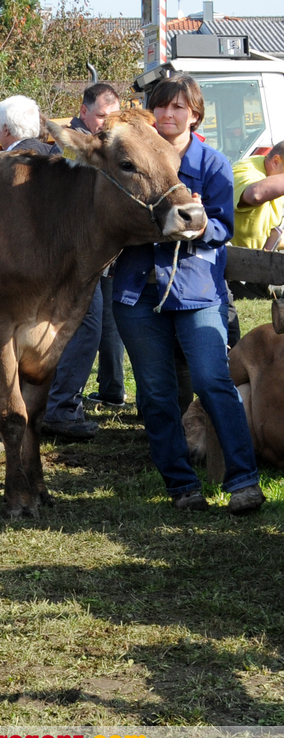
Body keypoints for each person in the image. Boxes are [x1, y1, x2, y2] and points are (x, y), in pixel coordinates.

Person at [112, 74, 264, 515]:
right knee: (157, 393)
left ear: (195, 113)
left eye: (178, 107)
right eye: (161, 107)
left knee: (214, 382)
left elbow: (222, 228)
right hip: (137, 292)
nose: (167, 115)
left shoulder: (213, 163)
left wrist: (196, 225)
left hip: (197, 291)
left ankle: (243, 480)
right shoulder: (130, 160)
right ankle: (181, 486)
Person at [42, 85, 124, 439]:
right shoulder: (71, 145)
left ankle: (97, 393)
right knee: (84, 329)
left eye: (114, 117)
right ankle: (60, 408)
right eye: (103, 116)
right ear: (84, 111)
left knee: (104, 327)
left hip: (98, 258)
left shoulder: (105, 145)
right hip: (73, 258)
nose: (108, 124)